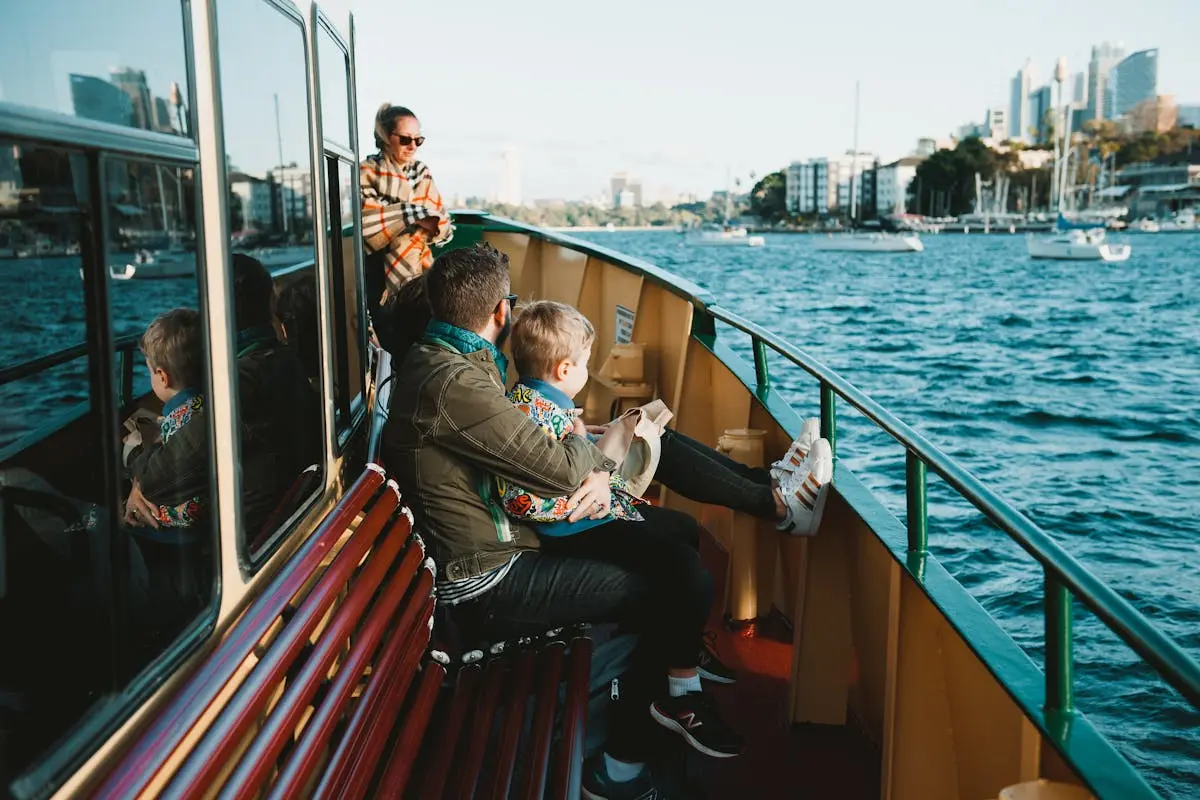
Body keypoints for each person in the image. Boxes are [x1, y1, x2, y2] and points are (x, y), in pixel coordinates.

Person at [383, 245, 832, 797]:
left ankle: (771, 499)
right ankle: (625, 760)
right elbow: (557, 469)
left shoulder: (454, 367)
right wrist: (598, 453)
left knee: (668, 518)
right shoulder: (455, 381)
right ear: (501, 311)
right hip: (489, 578)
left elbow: (532, 450)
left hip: (503, 542)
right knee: (661, 580)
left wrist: (585, 445)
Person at [230, 254, 323, 539]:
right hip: (285, 506)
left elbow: (188, 458)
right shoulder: (283, 361)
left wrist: (135, 457)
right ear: (271, 302)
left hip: (253, 525)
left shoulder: (240, 376)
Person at [360, 103, 453, 342]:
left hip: (420, 271)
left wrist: (406, 217)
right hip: (378, 271)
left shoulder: (423, 173)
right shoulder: (367, 171)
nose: (413, 146)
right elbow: (370, 225)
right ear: (384, 137)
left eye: (418, 140)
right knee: (389, 337)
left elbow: (442, 225)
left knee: (421, 334)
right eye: (405, 139)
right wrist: (416, 215)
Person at [122, 308, 209, 533]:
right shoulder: (210, 403)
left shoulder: (177, 422)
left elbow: (158, 478)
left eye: (150, 371)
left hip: (186, 522)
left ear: (162, 377)